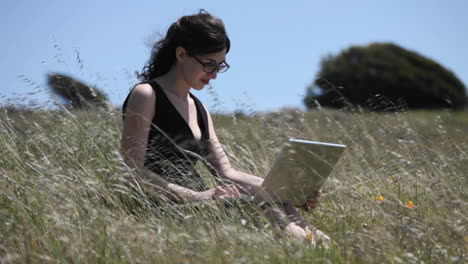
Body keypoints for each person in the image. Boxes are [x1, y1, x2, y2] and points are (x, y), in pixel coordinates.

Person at [120, 9, 329, 245]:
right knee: (266, 207)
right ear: (181, 54)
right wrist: (197, 196)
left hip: (203, 203)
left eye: (220, 66)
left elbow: (226, 172)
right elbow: (132, 170)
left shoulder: (199, 108)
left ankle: (320, 244)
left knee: (280, 202)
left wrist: (286, 190)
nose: (214, 75)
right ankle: (310, 249)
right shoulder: (146, 94)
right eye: (209, 64)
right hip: (163, 204)